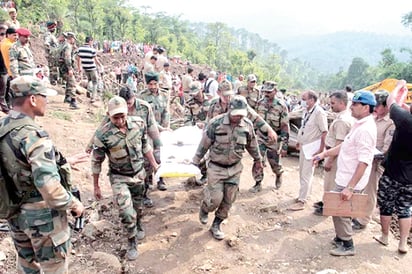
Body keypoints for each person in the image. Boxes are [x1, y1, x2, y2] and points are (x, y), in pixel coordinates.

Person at [0, 75, 85, 273]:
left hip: (14, 212)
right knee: (54, 267)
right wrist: (74, 204)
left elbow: (15, 165)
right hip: (43, 218)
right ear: (32, 99)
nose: (46, 100)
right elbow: (50, 189)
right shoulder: (34, 135)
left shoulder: (3, 127)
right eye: (43, 96)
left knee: (27, 266)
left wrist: (65, 162)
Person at [91, 96, 159, 261]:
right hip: (118, 177)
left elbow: (145, 146)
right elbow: (96, 161)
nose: (120, 120)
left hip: (138, 174)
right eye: (115, 117)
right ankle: (132, 241)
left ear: (127, 111)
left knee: (138, 207)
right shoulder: (102, 134)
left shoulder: (138, 124)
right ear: (108, 115)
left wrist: (154, 165)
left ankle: (139, 224)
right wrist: (96, 186)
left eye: (122, 116)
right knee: (126, 213)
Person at [313, 90, 377, 256]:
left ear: (366, 108)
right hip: (345, 176)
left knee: (340, 210)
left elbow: (364, 161)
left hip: (350, 179)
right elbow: (344, 146)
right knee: (339, 209)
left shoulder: (365, 130)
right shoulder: (358, 124)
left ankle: (347, 244)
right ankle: (341, 238)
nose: (352, 107)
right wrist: (324, 154)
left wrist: (350, 187)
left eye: (356, 104)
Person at [193, 95, 263, 240]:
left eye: (241, 115)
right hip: (216, 168)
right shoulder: (215, 123)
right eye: (236, 114)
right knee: (215, 199)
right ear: (229, 109)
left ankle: (216, 224)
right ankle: (205, 208)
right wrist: (195, 161)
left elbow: (252, 145)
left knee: (229, 199)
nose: (238, 117)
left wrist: (258, 160)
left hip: (235, 168)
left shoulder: (247, 125)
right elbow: (204, 144)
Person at [374, 80, 412, 254]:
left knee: (386, 205)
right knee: (405, 209)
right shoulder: (405, 117)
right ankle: (403, 243)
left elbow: (391, 101)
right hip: (410, 179)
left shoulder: (404, 120)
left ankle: (384, 237)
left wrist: (399, 86)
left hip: (392, 174)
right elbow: (402, 106)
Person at [352, 90, 394, 229]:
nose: (376, 108)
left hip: (376, 162)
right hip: (365, 158)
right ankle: (357, 214)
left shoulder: (390, 123)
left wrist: (375, 154)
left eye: (379, 106)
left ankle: (364, 219)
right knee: (361, 188)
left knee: (370, 190)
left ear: (387, 106)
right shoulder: (373, 119)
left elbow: (386, 147)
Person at [313, 91, 354, 216]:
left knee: (331, 183)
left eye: (333, 103)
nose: (331, 106)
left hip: (335, 155)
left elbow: (339, 143)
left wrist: (330, 160)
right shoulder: (344, 116)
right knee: (330, 182)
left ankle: (328, 207)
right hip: (334, 153)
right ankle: (326, 202)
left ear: (342, 103)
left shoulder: (342, 120)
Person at [289, 90, 328, 211]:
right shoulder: (307, 111)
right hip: (304, 146)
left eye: (304, 98)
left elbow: (324, 132)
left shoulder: (319, 113)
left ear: (311, 100)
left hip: (312, 148)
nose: (303, 101)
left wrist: (320, 151)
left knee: (307, 174)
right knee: (302, 172)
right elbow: (304, 127)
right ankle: (304, 195)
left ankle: (302, 201)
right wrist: (299, 141)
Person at [250, 81, 289, 192]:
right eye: (265, 92)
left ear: (275, 91)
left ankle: (278, 174)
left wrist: (285, 145)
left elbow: (285, 126)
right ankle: (258, 182)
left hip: (274, 138)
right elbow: (255, 120)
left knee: (274, 162)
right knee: (258, 159)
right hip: (261, 136)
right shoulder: (260, 103)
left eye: (269, 92)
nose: (266, 94)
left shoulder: (281, 106)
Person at [137, 71, 170, 191]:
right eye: (150, 84)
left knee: (160, 156)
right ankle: (148, 180)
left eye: (155, 84)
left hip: (161, 131)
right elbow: (144, 117)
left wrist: (165, 127)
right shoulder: (141, 96)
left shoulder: (164, 95)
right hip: (148, 132)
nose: (153, 87)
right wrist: (159, 128)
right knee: (148, 157)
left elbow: (166, 112)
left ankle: (161, 179)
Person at [76, 36, 102, 103]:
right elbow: (96, 60)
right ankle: (93, 97)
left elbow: (78, 60)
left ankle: (88, 91)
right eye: (92, 41)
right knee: (95, 82)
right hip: (92, 68)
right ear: (90, 41)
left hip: (85, 68)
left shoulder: (80, 49)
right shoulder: (92, 50)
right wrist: (101, 65)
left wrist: (79, 68)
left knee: (89, 80)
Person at [58, 32, 79, 109]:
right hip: (66, 68)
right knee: (73, 84)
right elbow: (67, 58)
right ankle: (73, 102)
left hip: (62, 67)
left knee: (68, 83)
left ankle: (67, 97)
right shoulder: (68, 46)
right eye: (74, 39)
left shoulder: (62, 44)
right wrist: (70, 68)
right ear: (71, 38)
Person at [0, 24, 9, 113]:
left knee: (5, 91)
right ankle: (5, 108)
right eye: (1, 34)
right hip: (2, 71)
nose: (3, 37)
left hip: (5, 71)